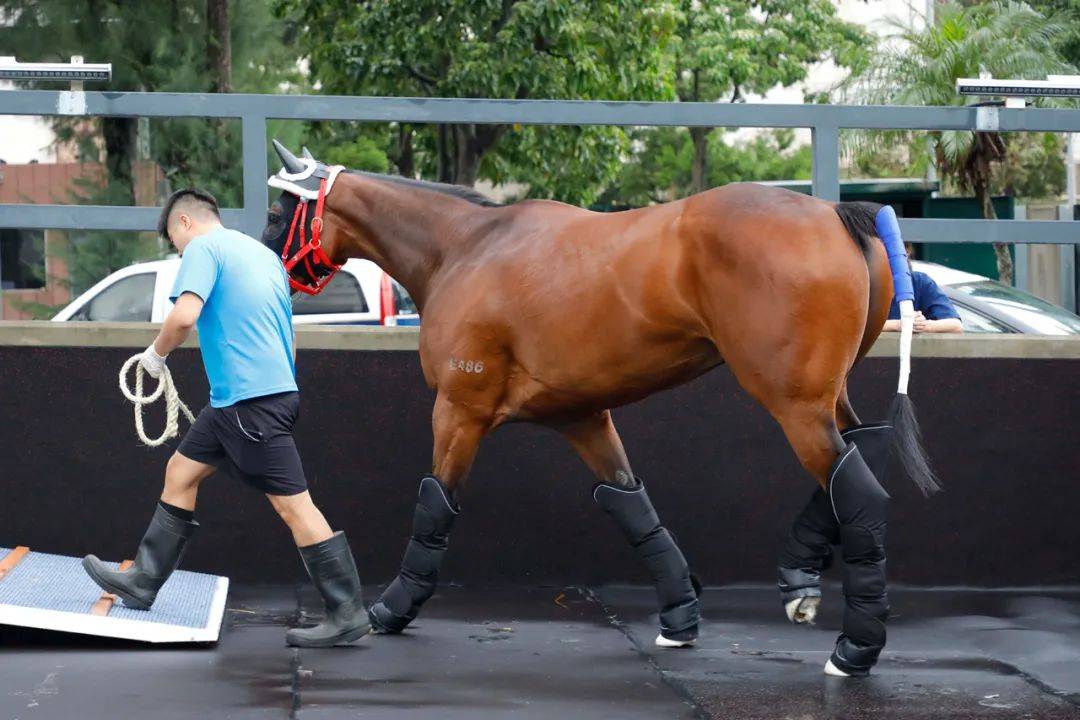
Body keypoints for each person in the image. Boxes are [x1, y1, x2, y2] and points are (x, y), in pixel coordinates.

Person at [82, 188, 369, 647]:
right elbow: (285, 332)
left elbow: (184, 316)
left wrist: (155, 358)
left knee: (294, 505)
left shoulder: (203, 248)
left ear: (184, 224)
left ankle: (347, 611)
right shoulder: (262, 255)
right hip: (246, 401)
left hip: (249, 404)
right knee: (180, 472)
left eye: (175, 242)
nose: (179, 251)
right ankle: (143, 581)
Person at [882, 245, 963, 334]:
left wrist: (922, 325)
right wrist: (898, 325)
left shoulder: (919, 281)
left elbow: (955, 324)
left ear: (907, 252)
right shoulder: (867, 282)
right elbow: (864, 326)